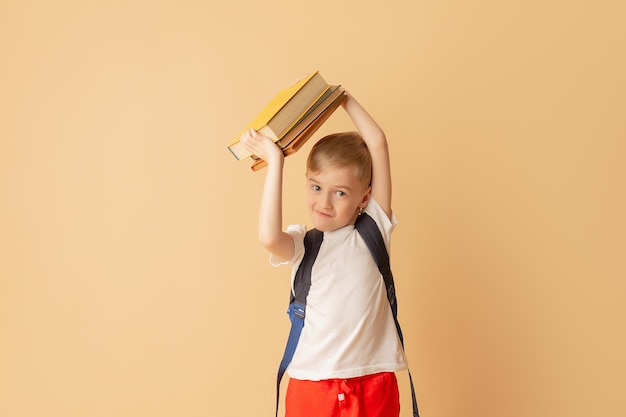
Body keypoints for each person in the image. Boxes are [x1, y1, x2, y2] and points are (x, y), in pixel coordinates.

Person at [239, 88, 407, 417]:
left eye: (340, 192)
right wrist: (275, 162)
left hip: (373, 379)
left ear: (364, 198)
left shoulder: (374, 228)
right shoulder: (304, 244)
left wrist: (339, 98)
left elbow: (377, 142)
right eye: (316, 187)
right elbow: (268, 237)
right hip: (312, 386)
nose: (324, 203)